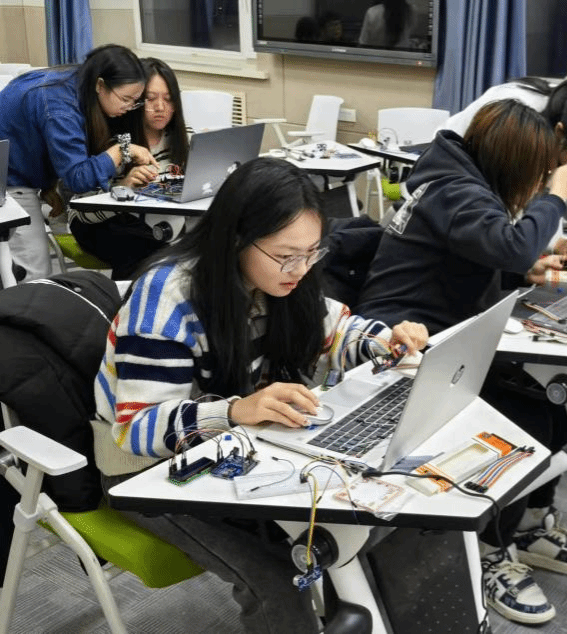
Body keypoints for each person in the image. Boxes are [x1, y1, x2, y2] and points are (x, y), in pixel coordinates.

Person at [93, 157, 427, 633]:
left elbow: (336, 331)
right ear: (236, 239)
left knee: (356, 519)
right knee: (276, 577)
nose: (300, 269)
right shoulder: (167, 297)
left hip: (237, 449)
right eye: (286, 256)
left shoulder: (283, 278)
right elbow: (136, 429)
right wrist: (235, 411)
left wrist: (384, 342)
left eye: (311, 253)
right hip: (149, 473)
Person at [356, 100, 567, 625]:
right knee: (526, 421)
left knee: (552, 406)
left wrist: (525, 271)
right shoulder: (455, 190)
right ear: (513, 164)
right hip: (401, 351)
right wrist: (559, 193)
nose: (537, 186)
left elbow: (475, 259)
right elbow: (509, 246)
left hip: (444, 340)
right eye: (536, 175)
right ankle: (491, 552)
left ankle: (525, 527)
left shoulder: (459, 181)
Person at [0, 44, 157, 282]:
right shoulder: (60, 106)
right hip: (8, 180)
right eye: (125, 99)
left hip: (17, 171)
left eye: (135, 101)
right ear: (100, 85)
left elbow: (40, 137)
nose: (128, 108)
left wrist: (46, 183)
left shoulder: (76, 79)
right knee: (35, 273)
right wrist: (122, 150)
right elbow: (77, 178)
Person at [441, 73, 567, 253]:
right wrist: (555, 241)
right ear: (560, 133)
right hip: (454, 195)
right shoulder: (519, 129)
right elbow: (509, 235)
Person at [69, 57, 190, 280]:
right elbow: (81, 211)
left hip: (157, 221)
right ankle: (129, 301)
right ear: (135, 100)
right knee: (145, 249)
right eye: (150, 99)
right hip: (101, 223)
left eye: (168, 99)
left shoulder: (182, 140)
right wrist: (124, 187)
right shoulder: (112, 142)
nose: (160, 107)